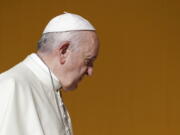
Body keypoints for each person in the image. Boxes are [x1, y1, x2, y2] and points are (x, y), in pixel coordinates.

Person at [0, 12, 99, 135]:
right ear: (64, 51)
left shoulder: (51, 89)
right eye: (88, 61)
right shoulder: (12, 86)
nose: (90, 71)